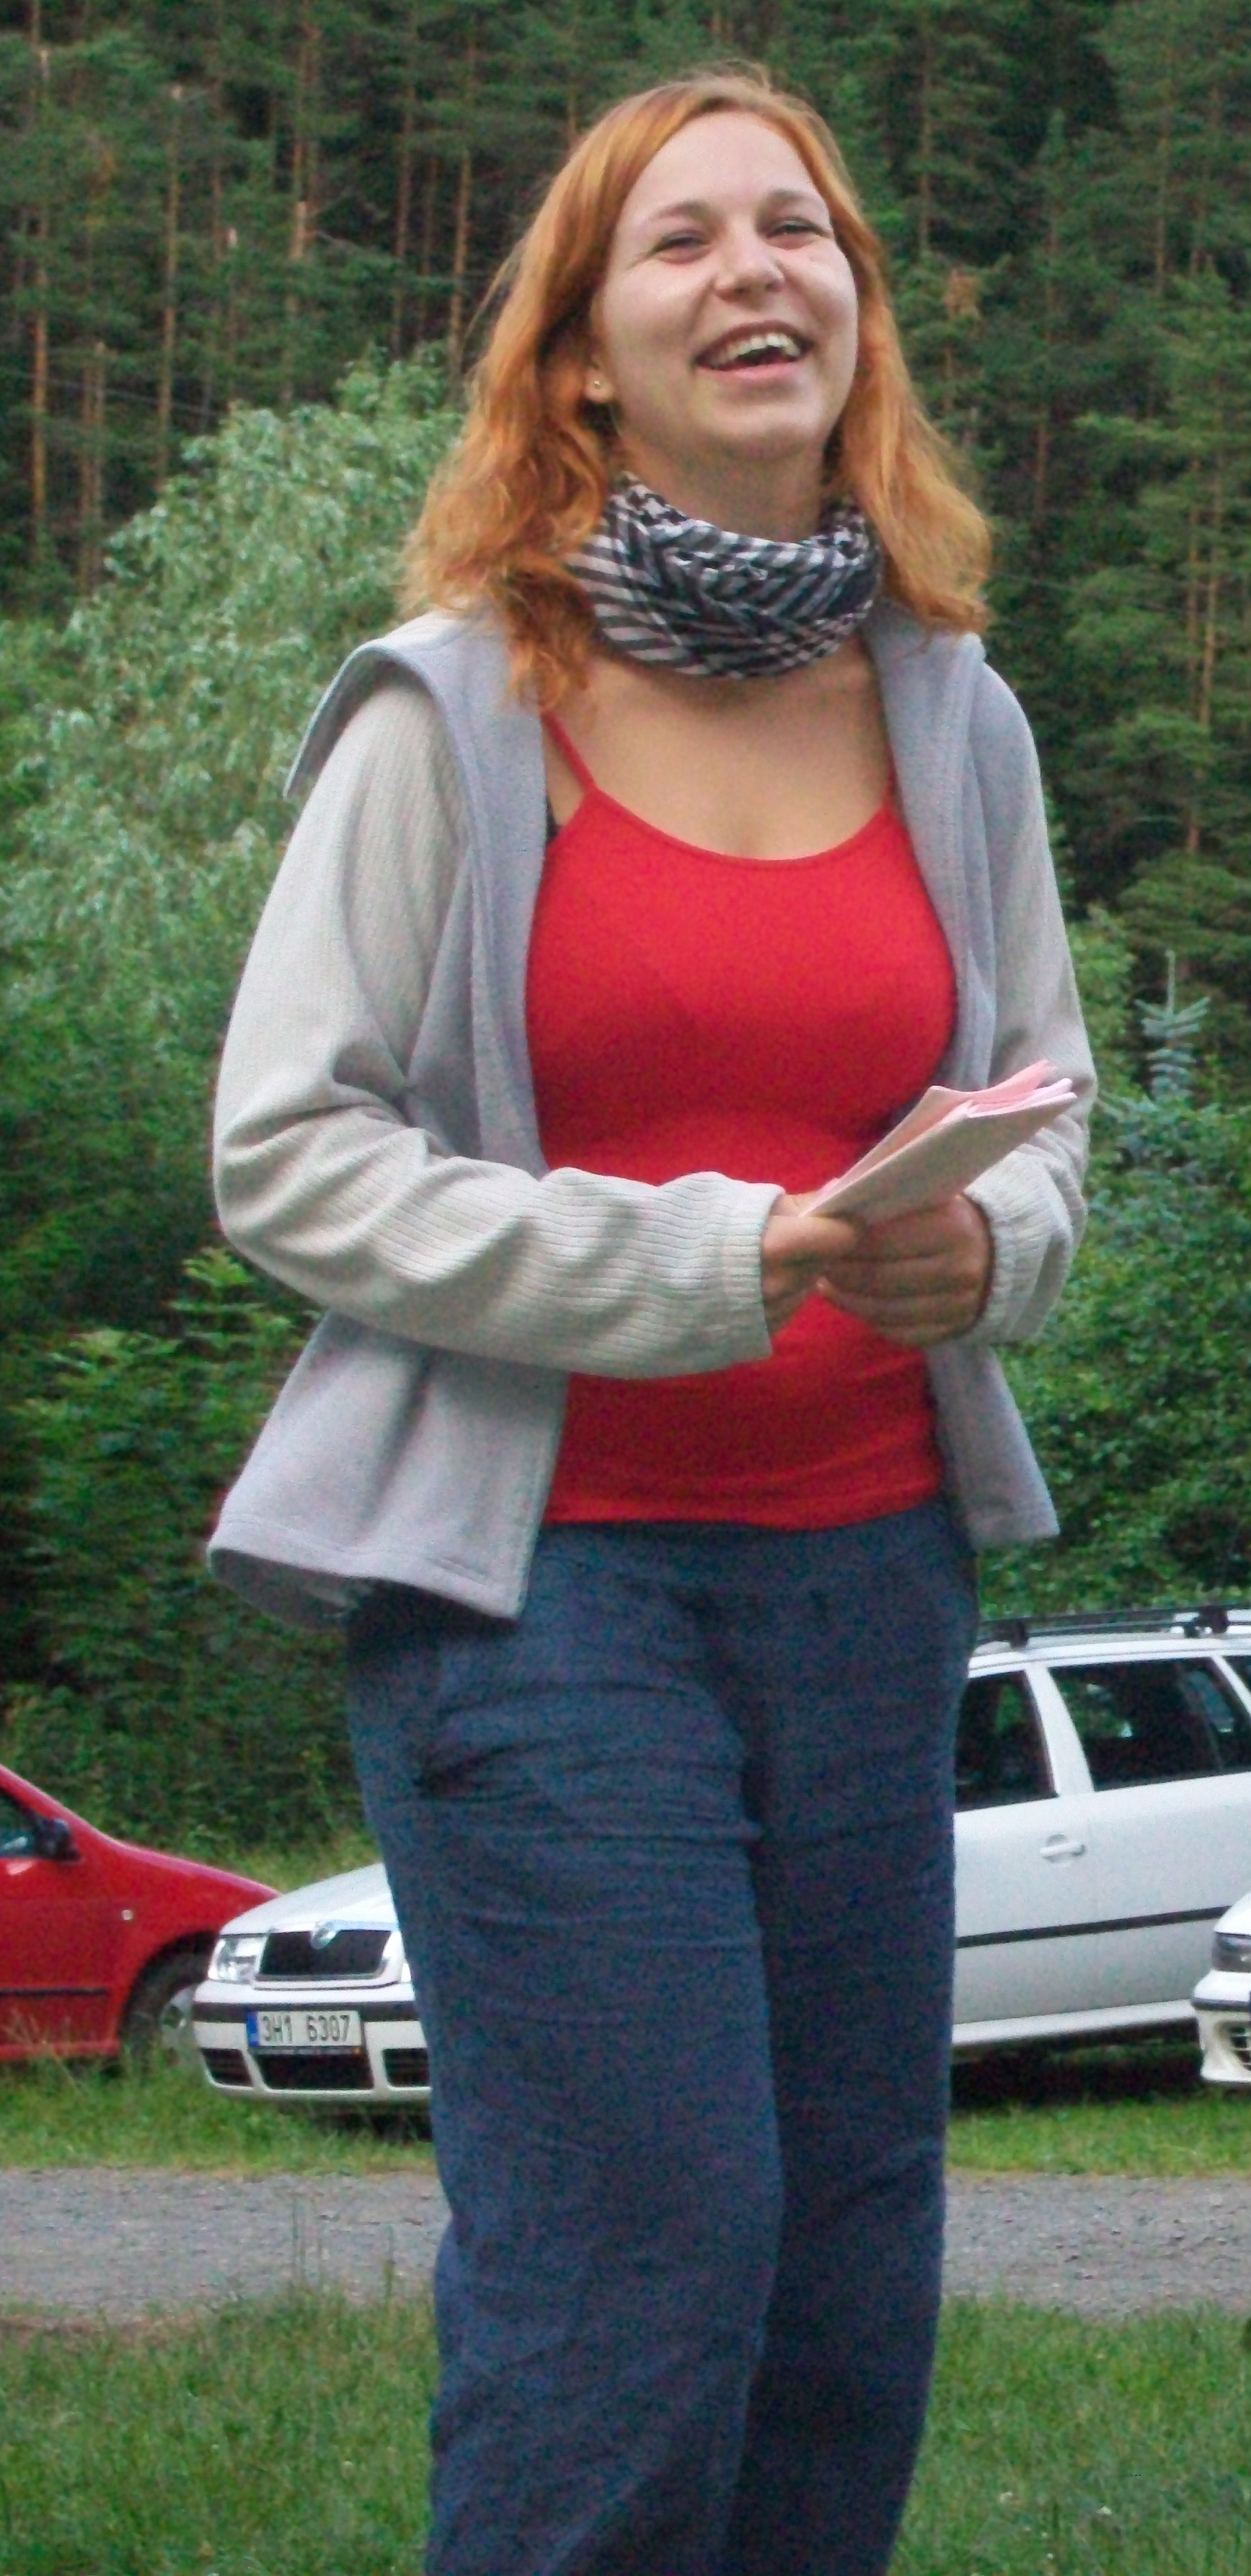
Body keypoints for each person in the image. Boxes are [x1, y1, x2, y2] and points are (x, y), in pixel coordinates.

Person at [210, 67, 1094, 2576]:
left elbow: (1049, 1106)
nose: (755, 272)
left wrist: (989, 1251)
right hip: (541, 1597)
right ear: (585, 351)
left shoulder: (956, 710)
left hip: (874, 1576)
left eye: (798, 231)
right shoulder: (453, 707)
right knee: (647, 2273)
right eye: (682, 240)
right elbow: (285, 1149)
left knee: (845, 2288)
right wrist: (693, 1263)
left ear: (858, 315)